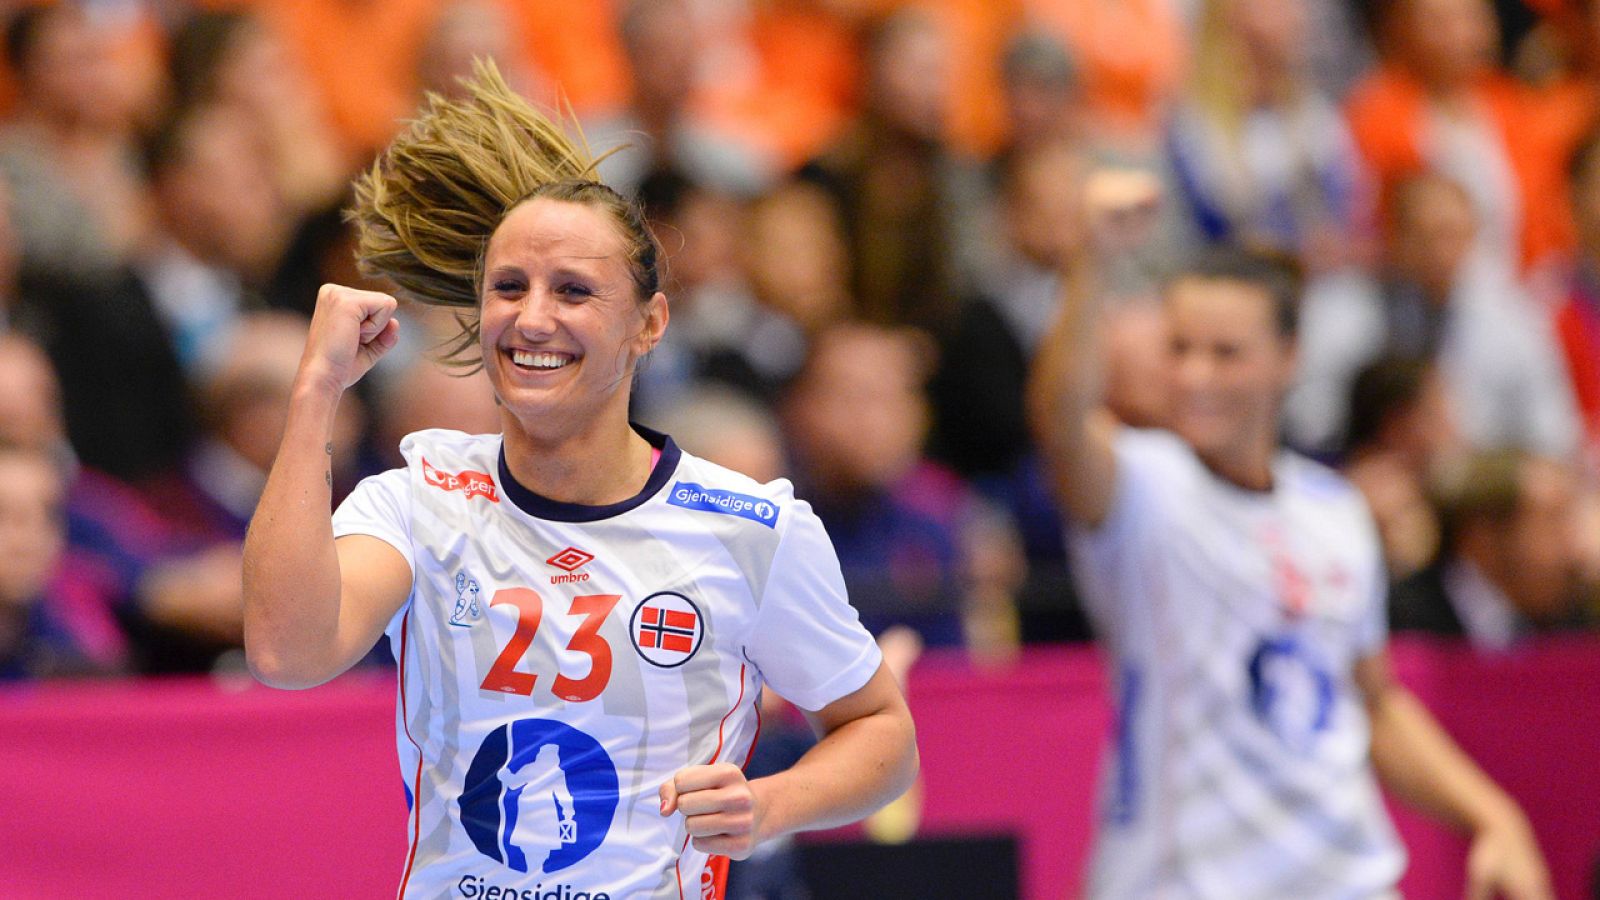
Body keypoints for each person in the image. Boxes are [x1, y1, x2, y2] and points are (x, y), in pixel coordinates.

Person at [241, 63, 917, 898]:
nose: (532, 319)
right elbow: (285, 651)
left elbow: (882, 734)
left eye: (573, 291)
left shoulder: (749, 527)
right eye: (508, 288)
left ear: (649, 324)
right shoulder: (421, 495)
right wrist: (315, 396)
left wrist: (771, 804)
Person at [1028, 173, 1551, 898]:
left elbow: (1375, 703)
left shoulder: (1333, 510)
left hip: (1348, 879)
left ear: (1289, 358)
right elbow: (1060, 419)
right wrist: (1091, 260)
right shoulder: (1142, 486)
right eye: (1179, 349)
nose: (1194, 375)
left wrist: (1496, 817)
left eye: (1225, 353)